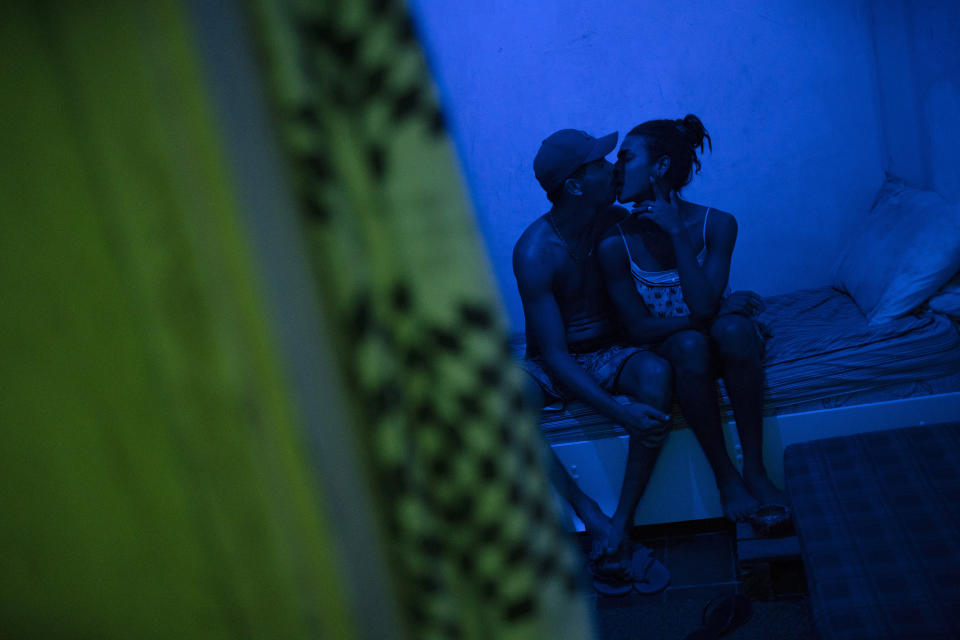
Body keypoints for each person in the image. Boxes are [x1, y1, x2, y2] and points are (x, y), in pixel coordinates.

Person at [598, 115, 787, 522]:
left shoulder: (717, 224)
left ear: (660, 167)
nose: (616, 168)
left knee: (735, 329)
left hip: (720, 340)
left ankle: (755, 469)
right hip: (677, 348)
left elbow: (701, 305)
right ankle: (726, 478)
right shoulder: (615, 243)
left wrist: (677, 235)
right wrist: (715, 312)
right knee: (692, 341)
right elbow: (640, 329)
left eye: (627, 157)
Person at [513, 128, 673, 592]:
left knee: (657, 373)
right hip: (553, 361)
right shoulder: (535, 251)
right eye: (600, 164)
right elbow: (557, 360)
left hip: (611, 350)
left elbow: (661, 289)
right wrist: (623, 414)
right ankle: (590, 514)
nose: (613, 168)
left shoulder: (614, 221)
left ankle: (619, 524)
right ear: (577, 185)